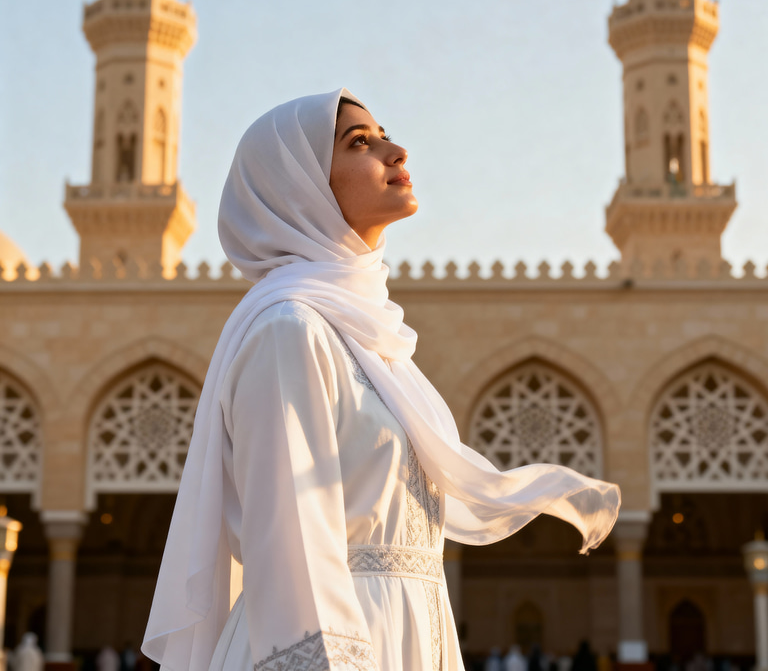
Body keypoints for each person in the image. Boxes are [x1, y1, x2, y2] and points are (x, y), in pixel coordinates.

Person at [142, 89, 621, 670]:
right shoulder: (289, 329)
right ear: (301, 185)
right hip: (333, 647)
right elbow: (292, 542)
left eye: (384, 135)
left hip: (409, 634)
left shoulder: (374, 343)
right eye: (359, 143)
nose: (396, 153)